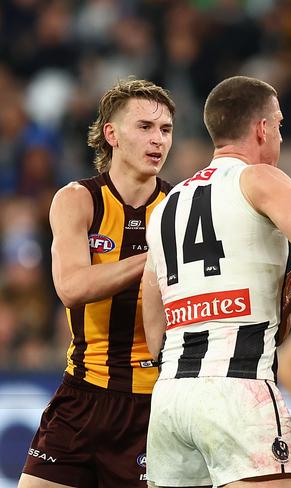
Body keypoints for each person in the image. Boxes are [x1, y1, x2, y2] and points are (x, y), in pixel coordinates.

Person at [141, 75, 291, 488]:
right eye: (278, 124)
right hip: (239, 389)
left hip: (171, 398)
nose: (279, 134)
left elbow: (153, 324)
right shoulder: (260, 179)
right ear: (261, 128)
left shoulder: (167, 205)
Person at [18, 78, 176, 488]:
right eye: (144, 127)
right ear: (112, 134)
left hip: (152, 402)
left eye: (166, 130)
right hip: (81, 394)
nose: (158, 139)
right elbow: (70, 287)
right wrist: (154, 257)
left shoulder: (181, 207)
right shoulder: (77, 199)